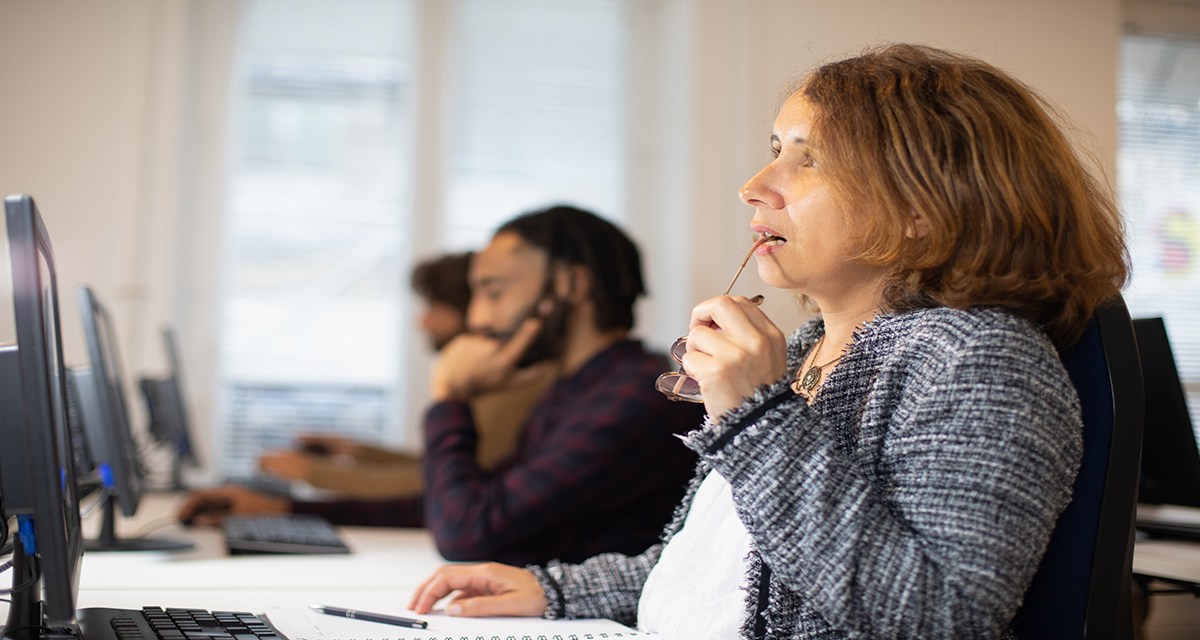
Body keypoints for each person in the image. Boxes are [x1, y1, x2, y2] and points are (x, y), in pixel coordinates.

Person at [406, 44, 1130, 639]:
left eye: (807, 159)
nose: (755, 185)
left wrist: (754, 416)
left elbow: (936, 621)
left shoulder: (978, 361)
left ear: (922, 205)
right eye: (773, 150)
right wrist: (552, 591)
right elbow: (728, 569)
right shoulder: (817, 343)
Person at [179, 205, 704, 566]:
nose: (477, 318)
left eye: (493, 292)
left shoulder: (636, 396)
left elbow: (468, 531)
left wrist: (449, 398)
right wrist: (292, 512)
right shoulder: (579, 387)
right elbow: (462, 504)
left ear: (572, 284)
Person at [254, 252, 555, 499]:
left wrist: (314, 472)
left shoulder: (520, 382)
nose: (422, 321)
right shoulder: (493, 384)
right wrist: (355, 451)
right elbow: (442, 466)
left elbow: (438, 484)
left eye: (435, 307)